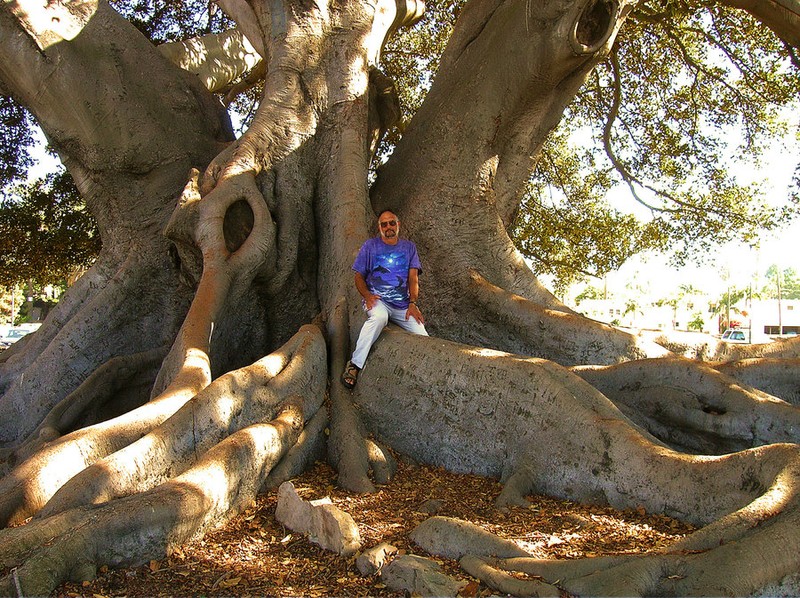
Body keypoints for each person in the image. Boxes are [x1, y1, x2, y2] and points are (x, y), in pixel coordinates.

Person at [341, 209, 428, 389]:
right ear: (379, 227)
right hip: (377, 299)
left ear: (398, 225)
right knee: (379, 317)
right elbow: (358, 276)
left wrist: (413, 303)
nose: (388, 227)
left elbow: (413, 278)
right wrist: (367, 295)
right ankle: (355, 365)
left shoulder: (409, 247)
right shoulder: (370, 246)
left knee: (423, 336)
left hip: (403, 304)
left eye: (392, 223)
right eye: (384, 224)